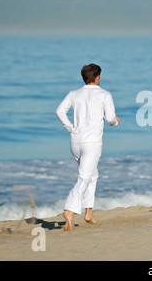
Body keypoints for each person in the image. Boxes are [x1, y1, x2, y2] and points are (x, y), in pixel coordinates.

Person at [56, 63, 120, 231]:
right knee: (84, 178)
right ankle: (69, 210)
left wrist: (71, 128)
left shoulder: (74, 94)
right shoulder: (104, 94)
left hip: (75, 142)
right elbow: (111, 119)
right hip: (91, 144)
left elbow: (59, 111)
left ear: (84, 78)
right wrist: (116, 121)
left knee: (92, 174)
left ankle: (89, 213)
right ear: (97, 77)